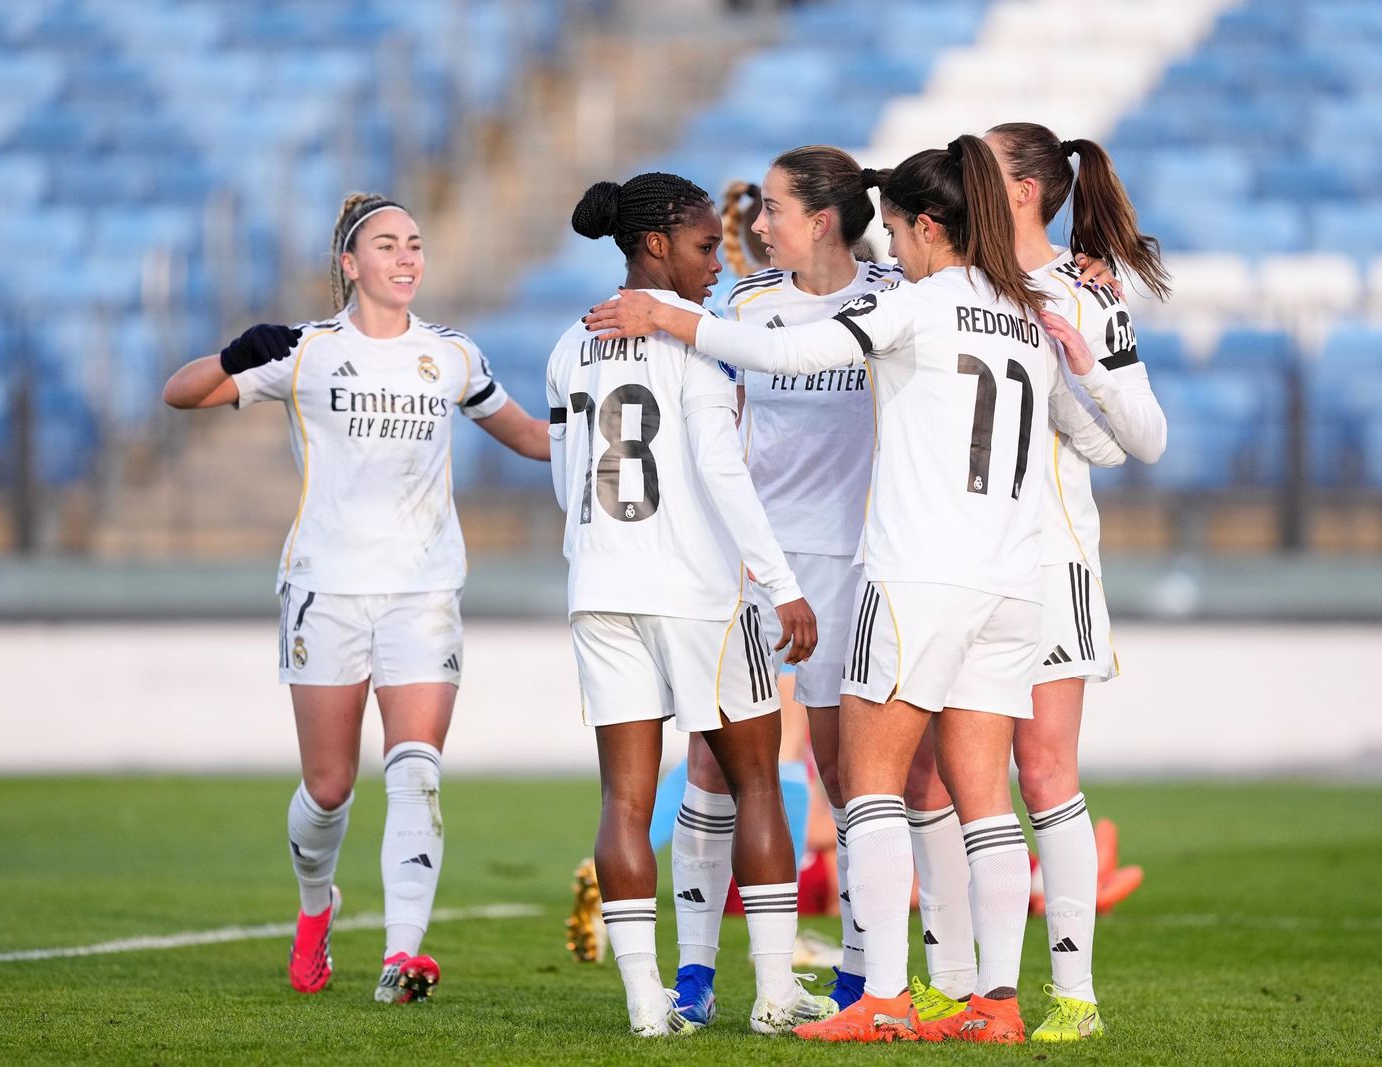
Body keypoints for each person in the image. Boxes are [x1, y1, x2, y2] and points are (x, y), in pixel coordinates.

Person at [584, 134, 1127, 1044]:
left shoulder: (897, 301)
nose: (755, 227)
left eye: (773, 210)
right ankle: (701, 976)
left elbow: (810, 371)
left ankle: (874, 979)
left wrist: (674, 319)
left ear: (825, 220)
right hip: (763, 561)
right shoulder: (755, 303)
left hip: (865, 563)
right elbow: (717, 426)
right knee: (720, 763)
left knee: (863, 778)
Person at [162, 192, 549, 1003]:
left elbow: (531, 436)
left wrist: (613, 422)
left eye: (415, 244)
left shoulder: (451, 355)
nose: (407, 258)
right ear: (349, 264)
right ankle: (316, 907)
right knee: (330, 786)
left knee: (415, 768)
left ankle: (403, 955)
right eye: (386, 246)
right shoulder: (303, 351)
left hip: (424, 591)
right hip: (324, 590)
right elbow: (180, 393)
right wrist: (234, 355)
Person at [545, 171, 836, 1037]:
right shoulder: (695, 348)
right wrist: (782, 584)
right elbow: (721, 472)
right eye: (707, 247)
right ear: (657, 245)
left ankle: (648, 1007)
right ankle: (776, 995)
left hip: (599, 586)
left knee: (624, 801)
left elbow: (569, 478)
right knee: (755, 783)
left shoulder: (570, 343)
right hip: (698, 593)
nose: (717, 263)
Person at [983, 121, 1169, 1043]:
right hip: (958, 562)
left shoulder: (1088, 290)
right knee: (949, 771)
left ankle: (1075, 997)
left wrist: (1080, 364)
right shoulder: (952, 279)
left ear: (1023, 188)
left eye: (982, 160)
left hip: (1050, 560)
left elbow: (1144, 439)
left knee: (1043, 768)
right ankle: (964, 988)